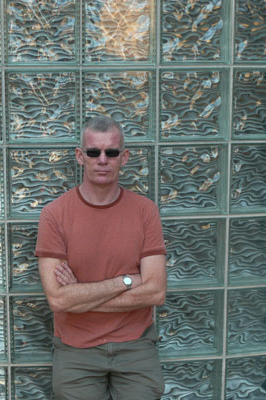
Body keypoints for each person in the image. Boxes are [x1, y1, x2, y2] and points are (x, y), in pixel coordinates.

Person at [35, 115, 167, 399]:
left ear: (124, 157)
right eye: (94, 152)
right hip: (76, 347)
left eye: (112, 152)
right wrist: (127, 281)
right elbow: (58, 300)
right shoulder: (54, 215)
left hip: (135, 344)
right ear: (80, 156)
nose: (102, 160)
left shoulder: (145, 211)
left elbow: (155, 292)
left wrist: (80, 298)